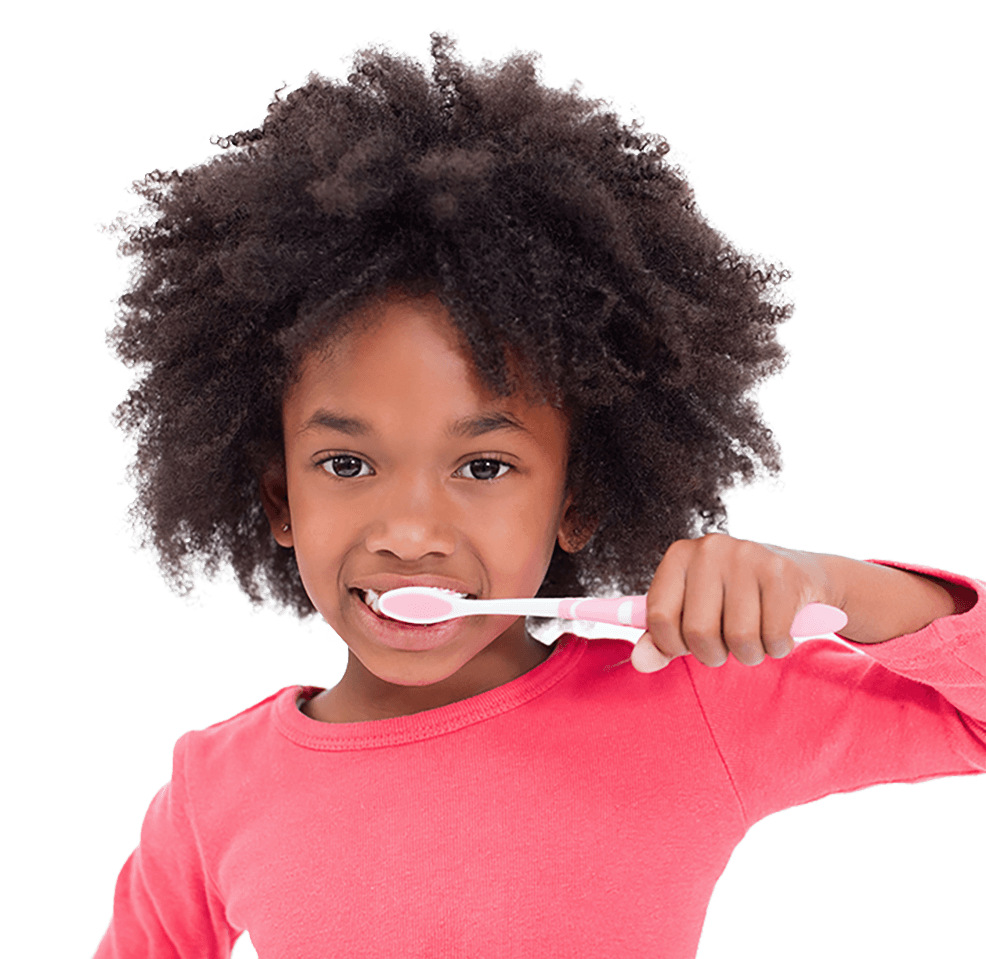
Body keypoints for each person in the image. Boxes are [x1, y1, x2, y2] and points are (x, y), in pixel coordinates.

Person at [90, 29, 983, 958]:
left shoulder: (689, 698)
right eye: (346, 465)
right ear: (278, 496)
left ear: (580, 494)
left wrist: (831, 588)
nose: (407, 532)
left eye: (483, 467)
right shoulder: (214, 784)